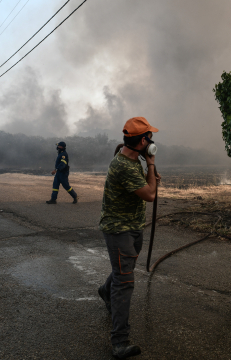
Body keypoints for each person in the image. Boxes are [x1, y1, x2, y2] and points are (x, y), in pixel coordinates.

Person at [97, 117, 161, 359]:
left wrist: (148, 168)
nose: (152, 141)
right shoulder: (124, 165)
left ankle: (105, 290)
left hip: (133, 226)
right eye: (150, 138)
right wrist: (152, 165)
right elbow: (150, 195)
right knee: (125, 282)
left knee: (124, 269)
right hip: (119, 229)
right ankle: (119, 342)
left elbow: (146, 188)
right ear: (143, 141)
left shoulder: (133, 159)